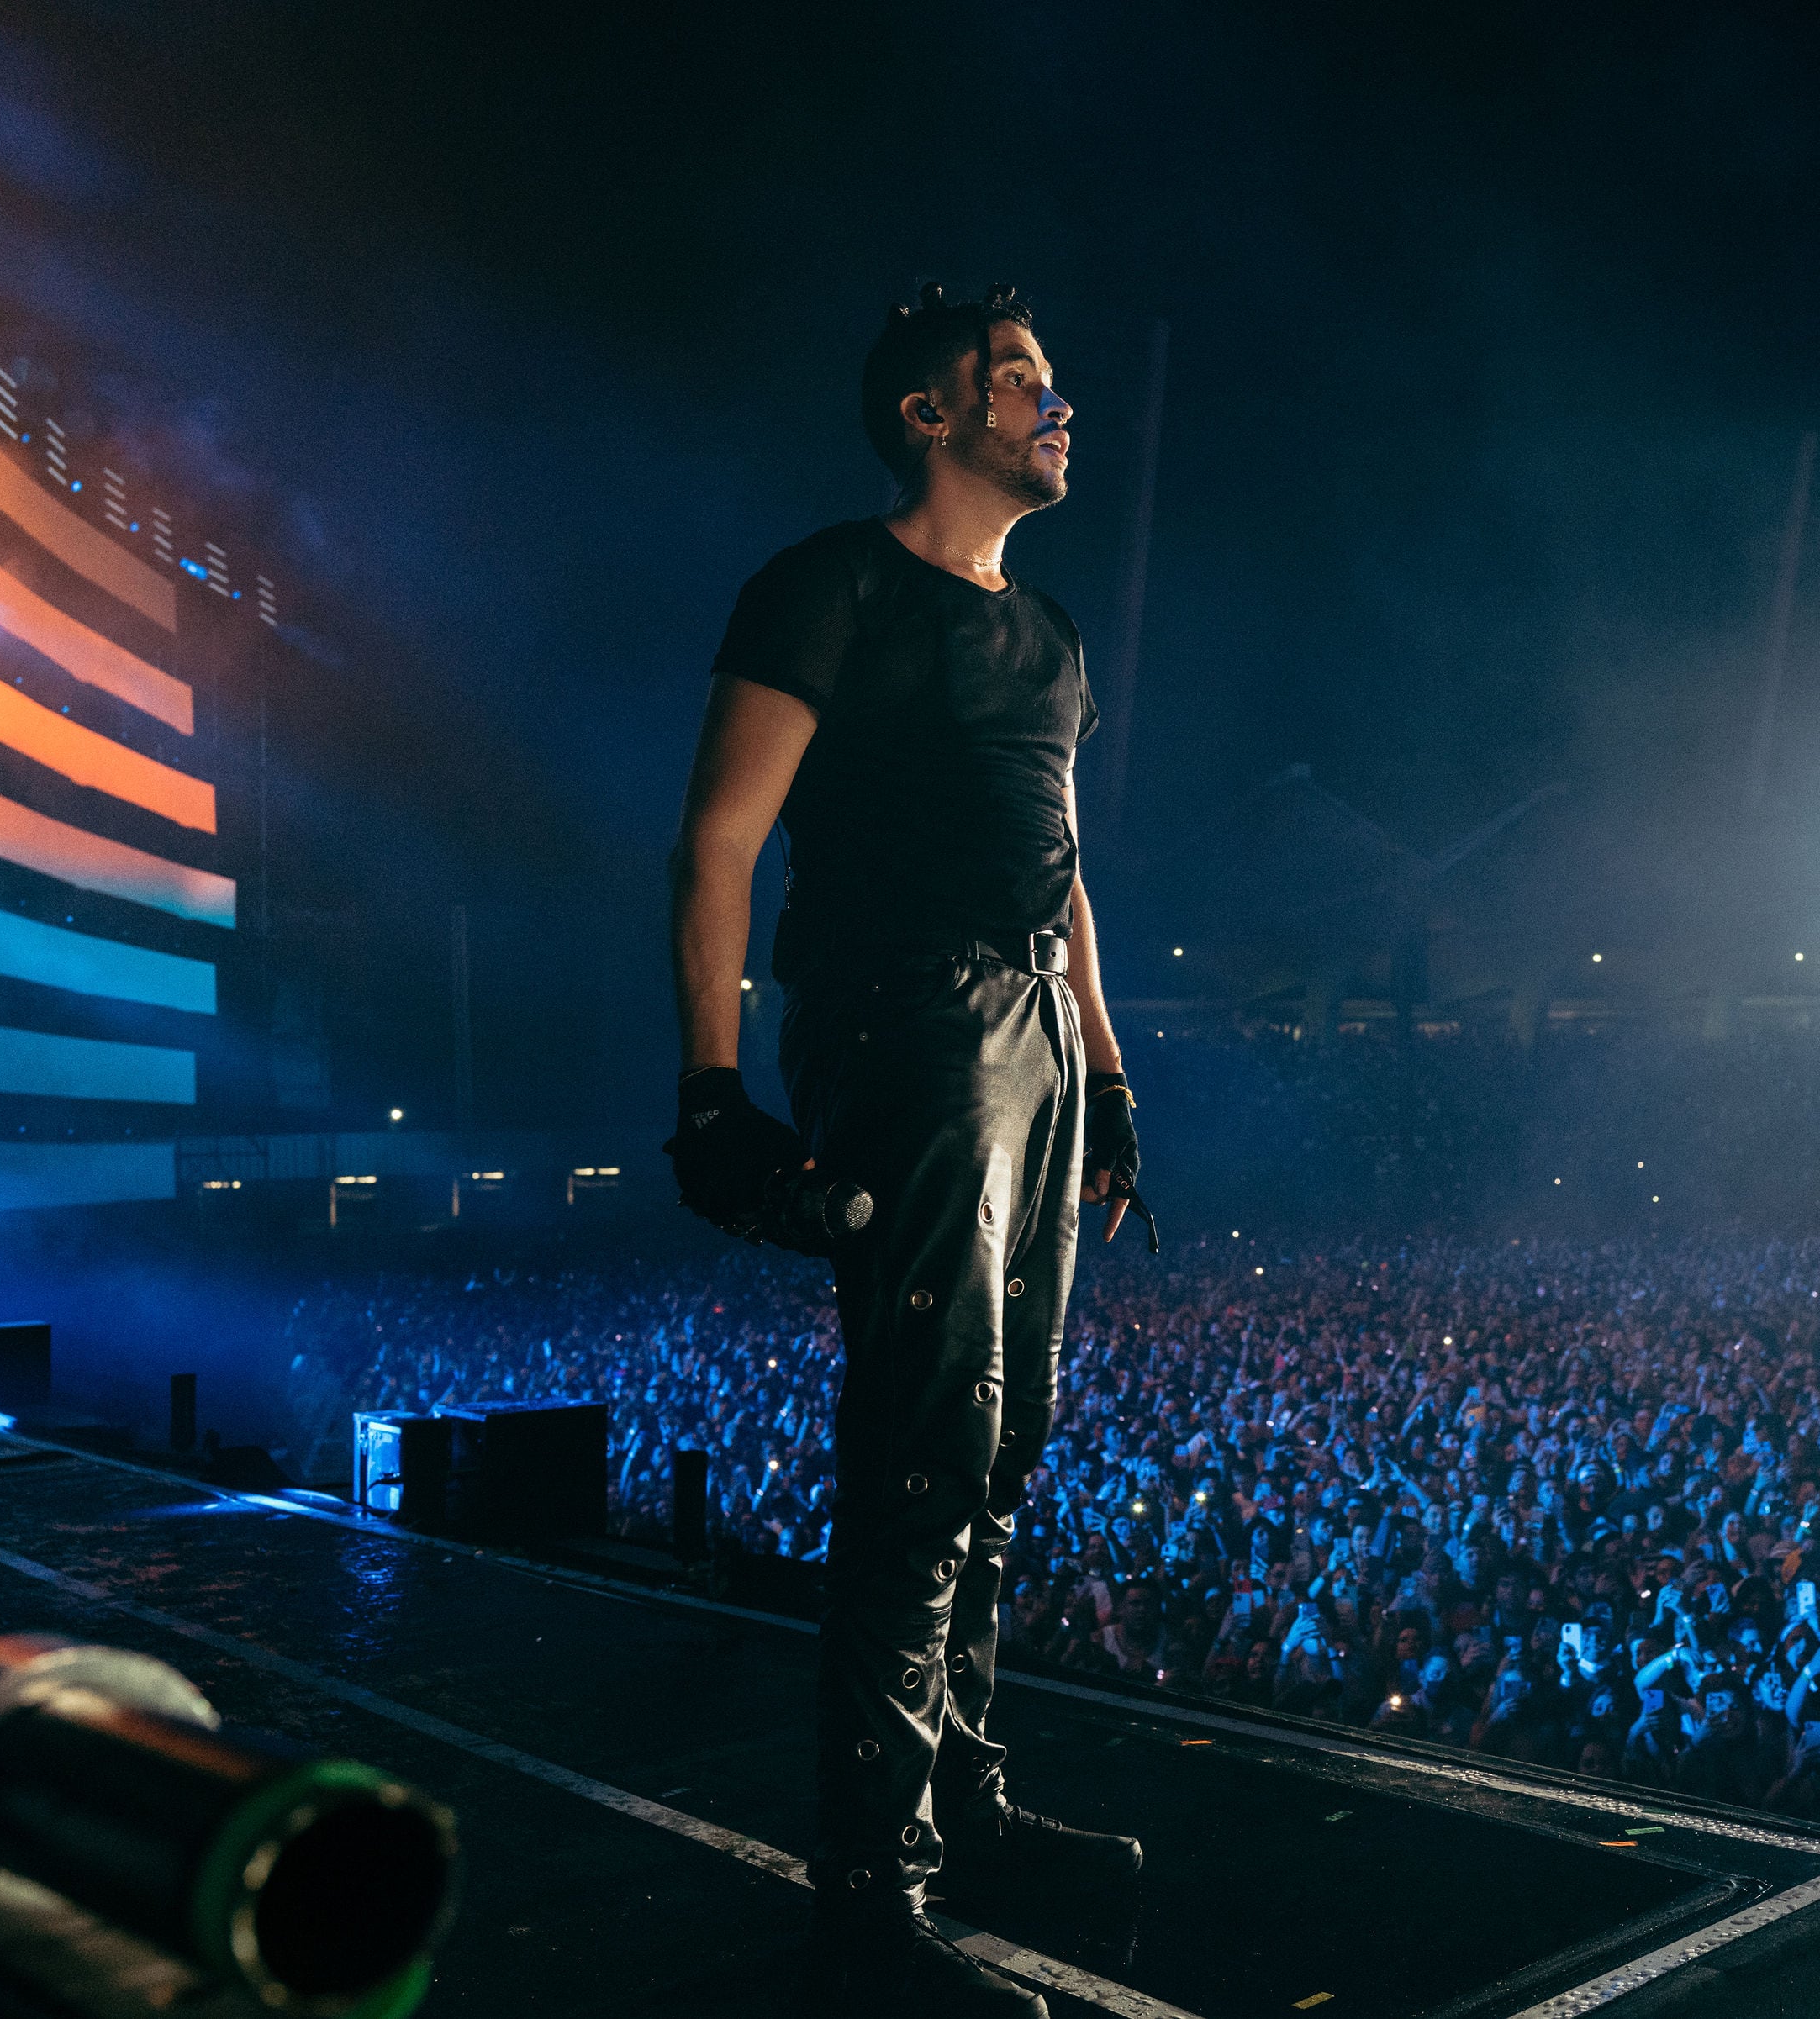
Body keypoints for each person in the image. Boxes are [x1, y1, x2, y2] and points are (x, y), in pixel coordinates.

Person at [666, 279, 1147, 2016]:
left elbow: (1063, 854)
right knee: (925, 1448)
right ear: (931, 417)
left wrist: (1103, 1056)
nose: (1055, 405)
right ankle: (874, 1888)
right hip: (904, 1017)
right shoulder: (832, 586)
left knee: (1004, 1438)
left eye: (1051, 376)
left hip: (1029, 1025)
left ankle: (966, 1797)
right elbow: (720, 838)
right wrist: (714, 1091)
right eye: (1021, 379)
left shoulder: (1055, 634)